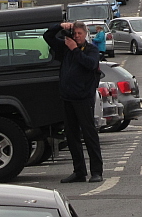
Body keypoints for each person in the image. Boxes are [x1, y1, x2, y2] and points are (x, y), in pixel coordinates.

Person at [43, 20, 103, 184]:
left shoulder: (91, 50)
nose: (76, 36)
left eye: (79, 34)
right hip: (68, 98)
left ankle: (96, 171)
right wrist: (60, 26)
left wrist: (75, 49)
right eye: (74, 34)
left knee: (90, 135)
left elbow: (90, 64)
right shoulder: (65, 48)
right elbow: (47, 36)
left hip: (84, 99)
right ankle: (79, 171)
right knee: (71, 136)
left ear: (85, 35)